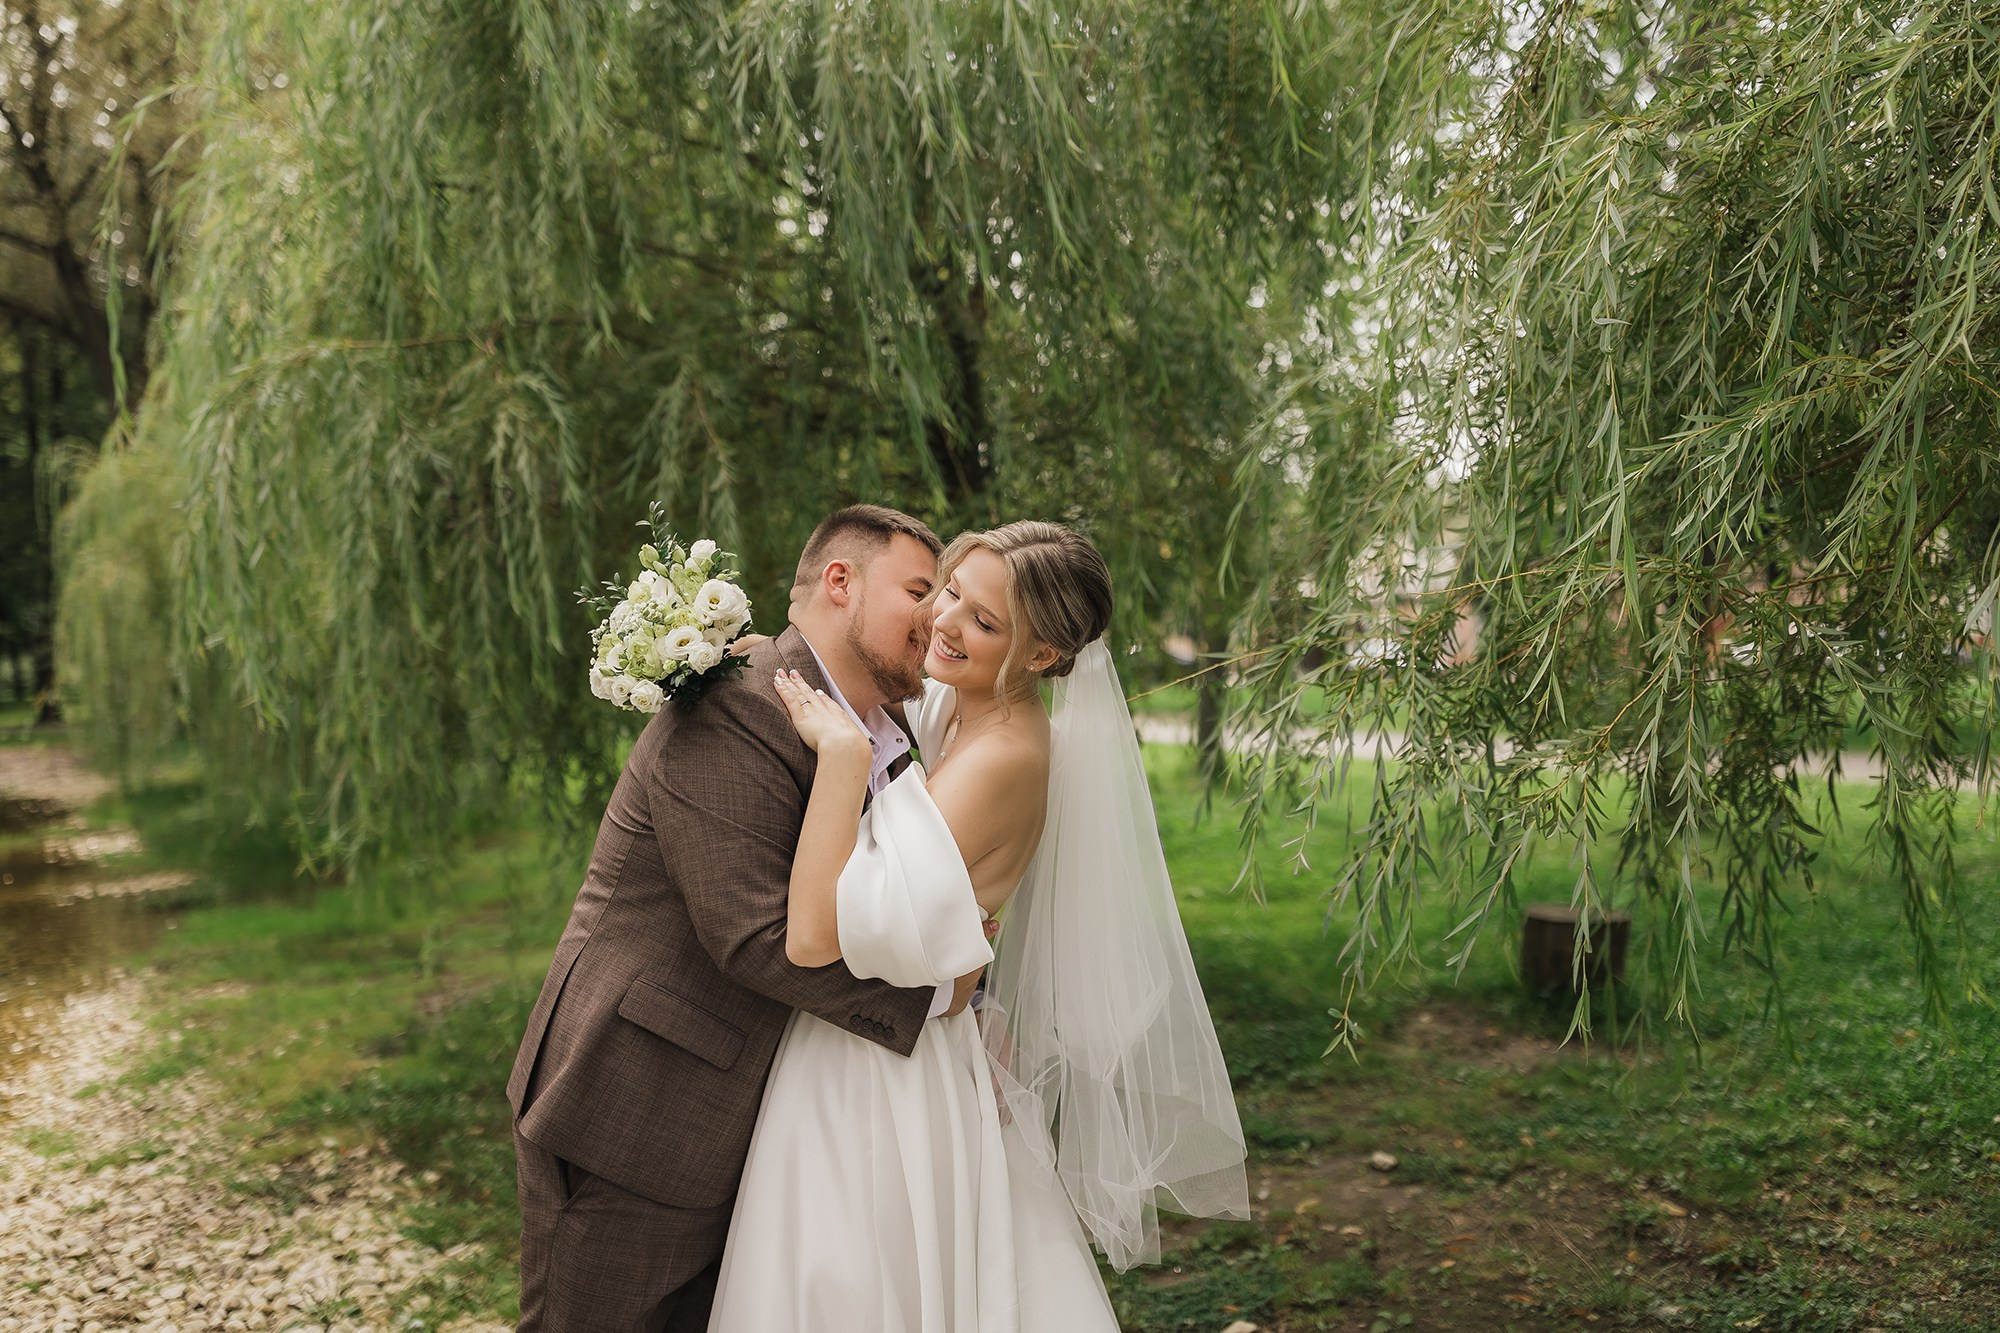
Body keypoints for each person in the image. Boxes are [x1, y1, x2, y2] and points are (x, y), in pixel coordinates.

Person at [707, 520, 1249, 1331]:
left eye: (984, 622)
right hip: (892, 1031)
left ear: (1040, 656)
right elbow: (863, 680)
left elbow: (815, 936)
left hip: (877, 1071)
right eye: (950, 591)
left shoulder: (1002, 757)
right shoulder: (960, 707)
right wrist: (765, 660)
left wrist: (842, 761)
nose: (948, 622)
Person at [507, 504, 984, 1332]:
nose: (938, 613)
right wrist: (942, 1000)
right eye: (920, 589)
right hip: (641, 1103)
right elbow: (755, 937)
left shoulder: (890, 724)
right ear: (841, 582)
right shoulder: (733, 702)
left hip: (769, 1119)